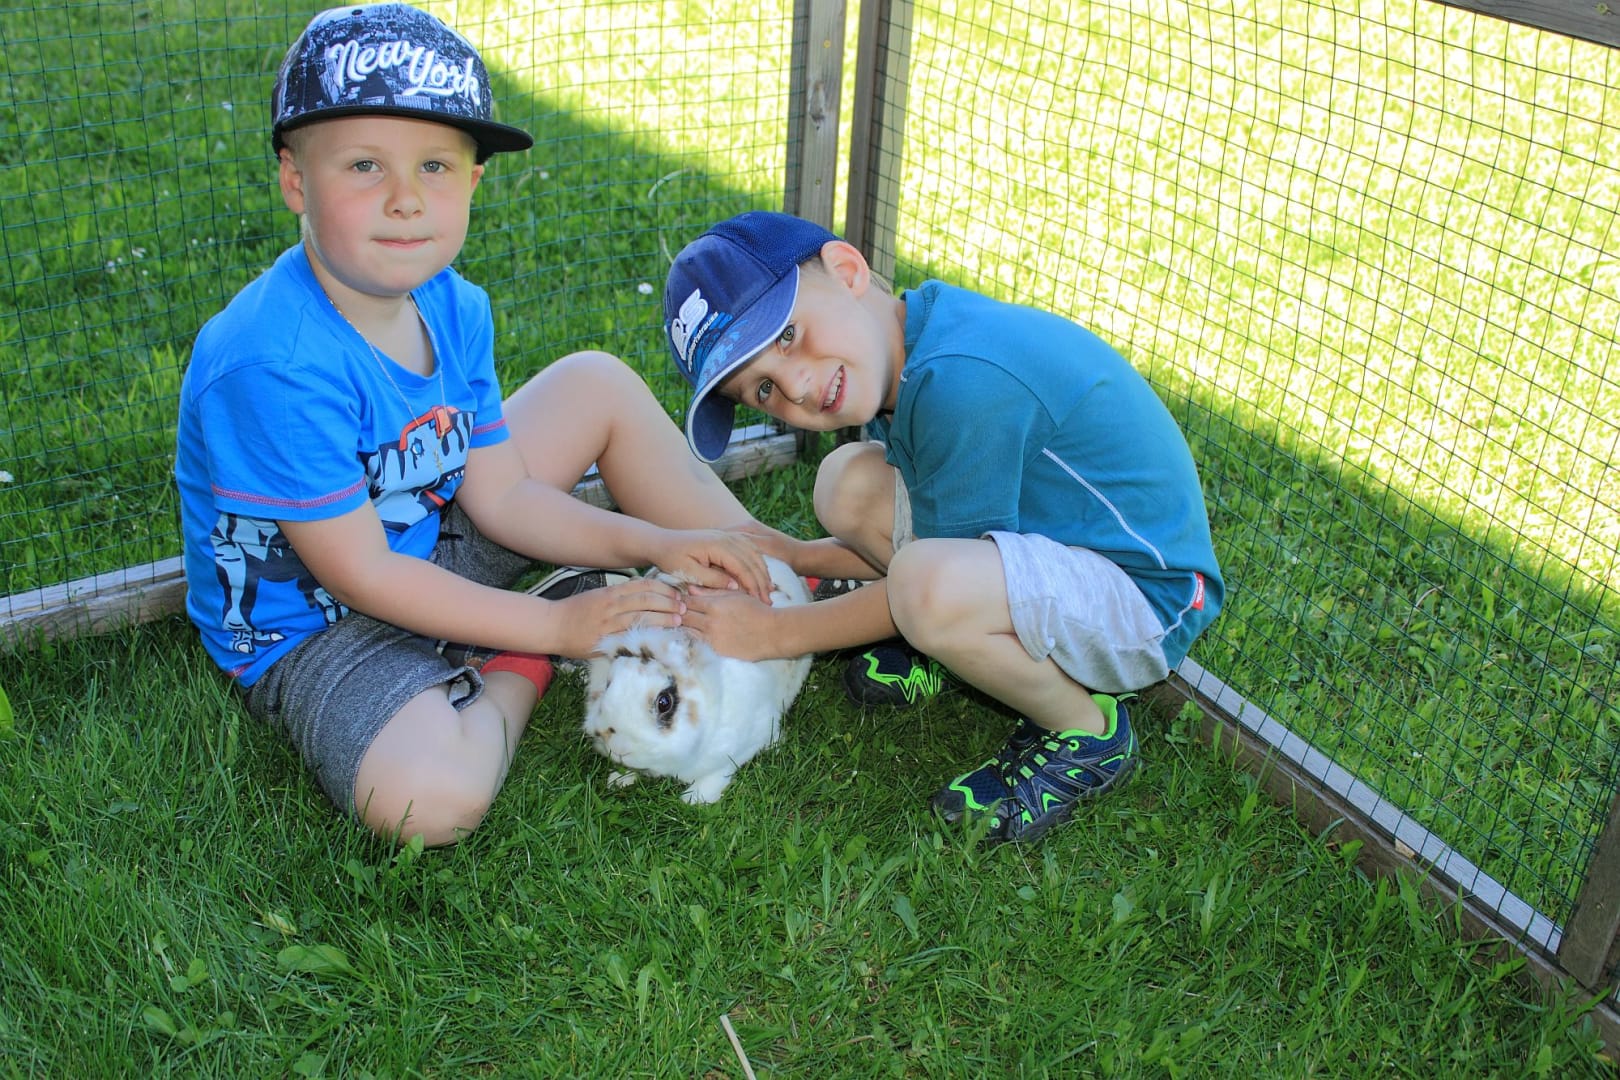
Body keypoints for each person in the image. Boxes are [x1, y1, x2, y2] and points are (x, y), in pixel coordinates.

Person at [174, 4, 796, 847]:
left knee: (595, 384)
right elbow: (363, 576)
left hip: (427, 539)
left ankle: (772, 565)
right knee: (430, 803)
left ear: (472, 182)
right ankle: (521, 649)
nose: (404, 200)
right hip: (317, 625)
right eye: (364, 165)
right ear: (295, 181)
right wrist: (555, 631)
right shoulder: (272, 363)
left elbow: (500, 496)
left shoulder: (454, 305)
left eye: (434, 165)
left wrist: (653, 540)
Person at [665, 211, 1225, 844]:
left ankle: (1088, 733)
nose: (795, 385)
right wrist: (799, 556)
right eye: (763, 389)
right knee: (847, 484)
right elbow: (930, 542)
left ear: (847, 271)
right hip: (1065, 543)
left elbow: (926, 580)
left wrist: (775, 634)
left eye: (788, 334)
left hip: (1148, 598)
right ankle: (947, 648)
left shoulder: (960, 383)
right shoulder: (907, 343)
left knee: (927, 589)